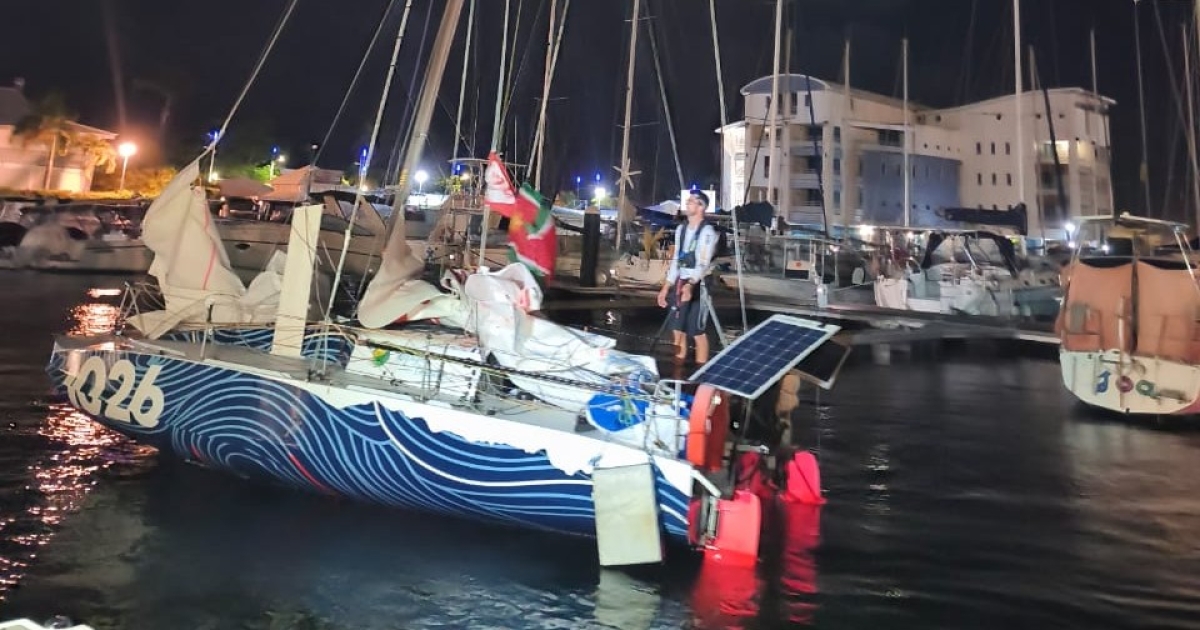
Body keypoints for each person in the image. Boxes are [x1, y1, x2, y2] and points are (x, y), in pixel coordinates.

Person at [657, 191, 718, 364]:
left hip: (700, 284)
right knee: (677, 331)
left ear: (701, 207)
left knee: (696, 331)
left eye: (691, 201)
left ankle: (700, 371)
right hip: (680, 282)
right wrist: (666, 287)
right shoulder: (680, 229)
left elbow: (703, 262)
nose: (687, 204)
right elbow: (677, 260)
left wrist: (691, 285)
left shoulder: (707, 232)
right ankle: (678, 372)